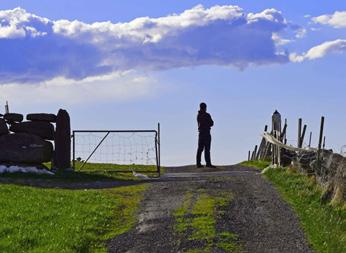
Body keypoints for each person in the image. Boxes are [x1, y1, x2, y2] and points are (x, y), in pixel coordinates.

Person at [196, 102, 216, 168]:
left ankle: (198, 163)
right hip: (206, 133)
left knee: (200, 149)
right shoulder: (207, 115)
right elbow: (212, 123)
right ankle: (208, 163)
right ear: (205, 108)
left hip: (201, 133)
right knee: (207, 149)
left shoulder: (198, 115)